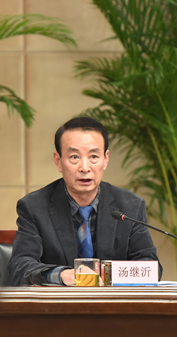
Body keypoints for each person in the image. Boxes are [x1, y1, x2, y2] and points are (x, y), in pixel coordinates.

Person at [8, 117, 162, 286]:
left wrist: (106, 275)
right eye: (74, 157)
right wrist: (63, 275)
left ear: (106, 159)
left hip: (113, 302)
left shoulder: (130, 206)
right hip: (58, 302)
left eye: (94, 156)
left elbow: (150, 267)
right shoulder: (34, 207)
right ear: (58, 161)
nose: (85, 167)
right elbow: (20, 267)